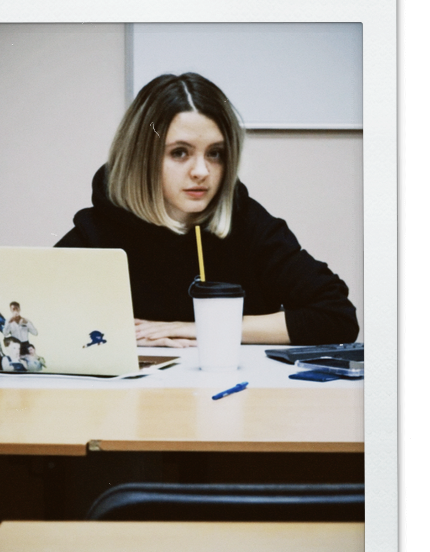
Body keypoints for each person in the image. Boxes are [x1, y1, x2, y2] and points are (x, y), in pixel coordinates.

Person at [55, 73, 359, 347]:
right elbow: (35, 324)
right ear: (141, 157)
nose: (201, 171)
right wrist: (123, 337)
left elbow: (336, 316)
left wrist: (200, 328)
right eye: (179, 153)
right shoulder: (97, 231)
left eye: (215, 153)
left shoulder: (248, 223)